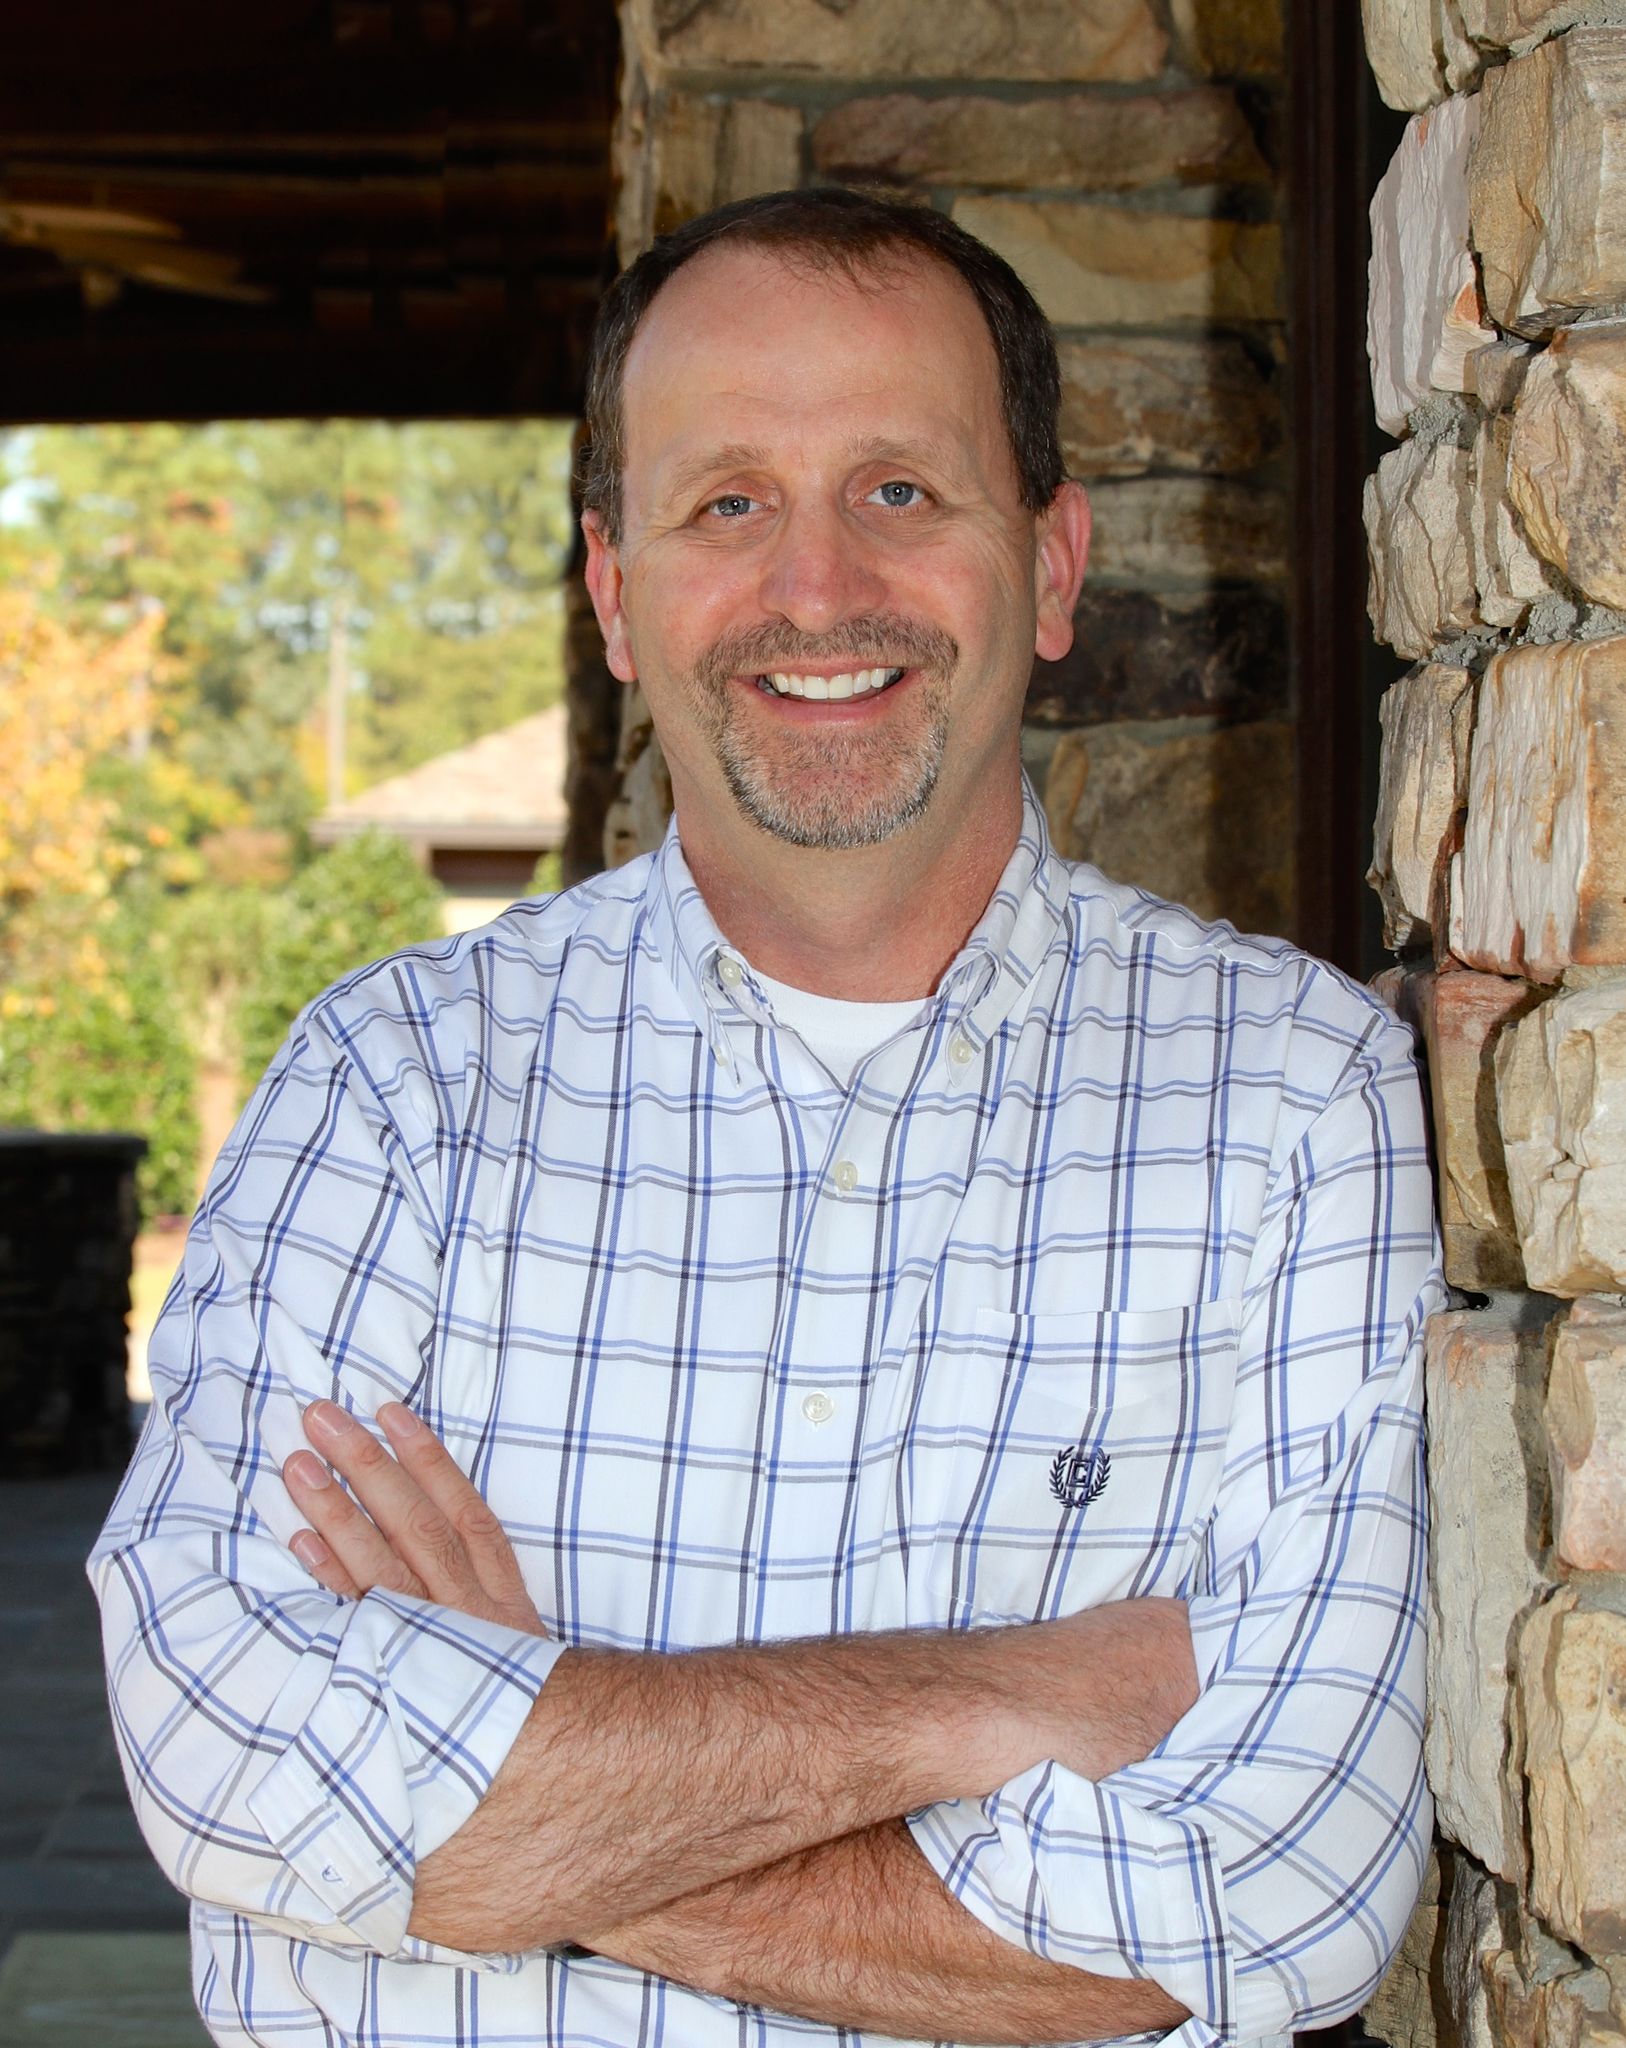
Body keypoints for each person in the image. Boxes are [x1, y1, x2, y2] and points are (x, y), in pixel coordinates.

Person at [92, 188, 1443, 2048]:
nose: (815, 587)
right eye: (727, 503)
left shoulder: (1295, 1094)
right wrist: (983, 1697)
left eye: (899, 488)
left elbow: (1275, 1901)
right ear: (613, 593)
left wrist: (514, 1779)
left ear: (1051, 566)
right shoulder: (392, 1081)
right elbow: (226, 1751)